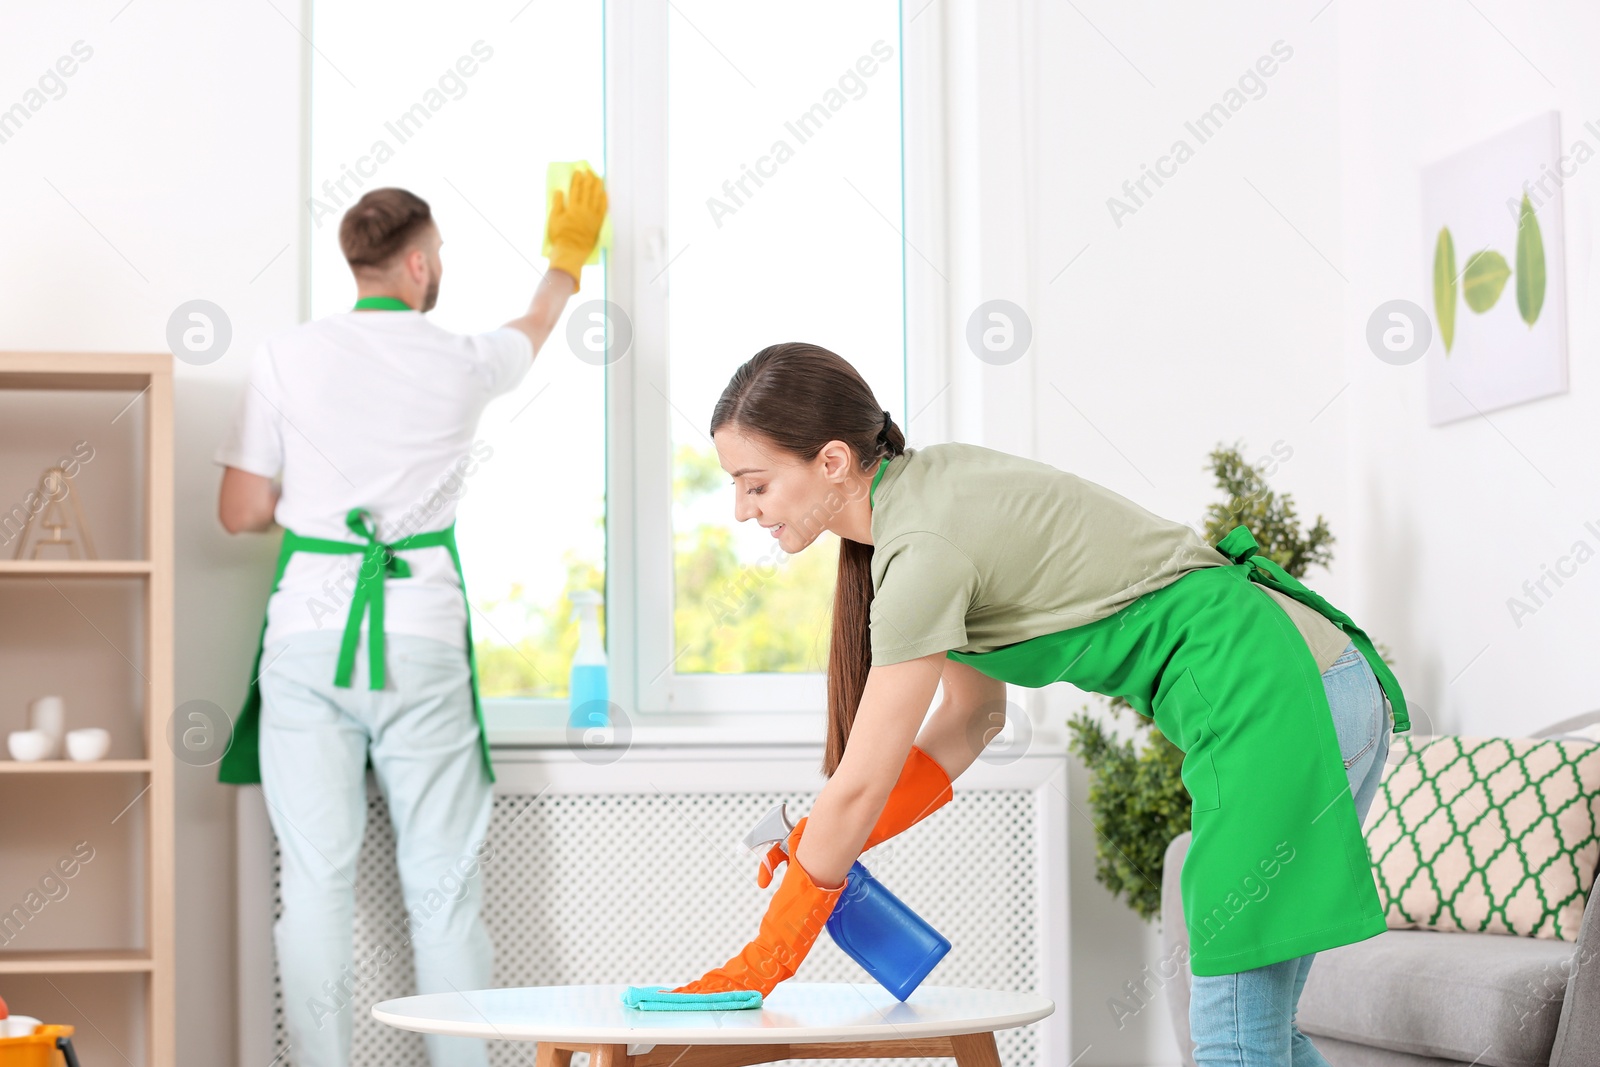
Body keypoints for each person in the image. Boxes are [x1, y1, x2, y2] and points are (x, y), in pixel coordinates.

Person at [670, 341, 1408, 1067]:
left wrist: (765, 959)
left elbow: (862, 781)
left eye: (755, 483)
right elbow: (973, 719)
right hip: (1311, 679)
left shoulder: (922, 547)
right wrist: (821, 840)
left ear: (830, 462)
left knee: (1233, 1036)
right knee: (1262, 1032)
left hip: (1274, 691)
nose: (741, 509)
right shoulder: (927, 493)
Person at [213, 173, 608, 1067]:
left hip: (308, 639)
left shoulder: (285, 356)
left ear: (358, 262)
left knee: (313, 884)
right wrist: (567, 259)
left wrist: (318, 503)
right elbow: (537, 324)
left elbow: (237, 511)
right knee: (443, 888)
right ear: (420, 263)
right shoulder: (463, 359)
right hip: (421, 636)